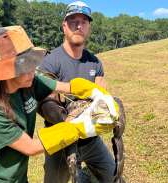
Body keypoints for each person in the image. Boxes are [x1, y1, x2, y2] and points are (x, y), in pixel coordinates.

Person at [0, 25, 118, 182]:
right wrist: (79, 127)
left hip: (18, 176)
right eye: (25, 64)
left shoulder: (28, 81)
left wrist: (94, 91)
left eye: (33, 61)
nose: (33, 68)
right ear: (5, 73)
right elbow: (31, 147)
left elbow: (66, 87)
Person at [39, 1, 116, 183]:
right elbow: (45, 103)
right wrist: (67, 121)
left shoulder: (95, 63)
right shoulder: (51, 61)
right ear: (64, 26)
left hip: (90, 138)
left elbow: (100, 97)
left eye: (83, 21)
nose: (78, 25)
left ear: (88, 27)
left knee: (115, 177)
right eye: (73, 20)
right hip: (60, 139)